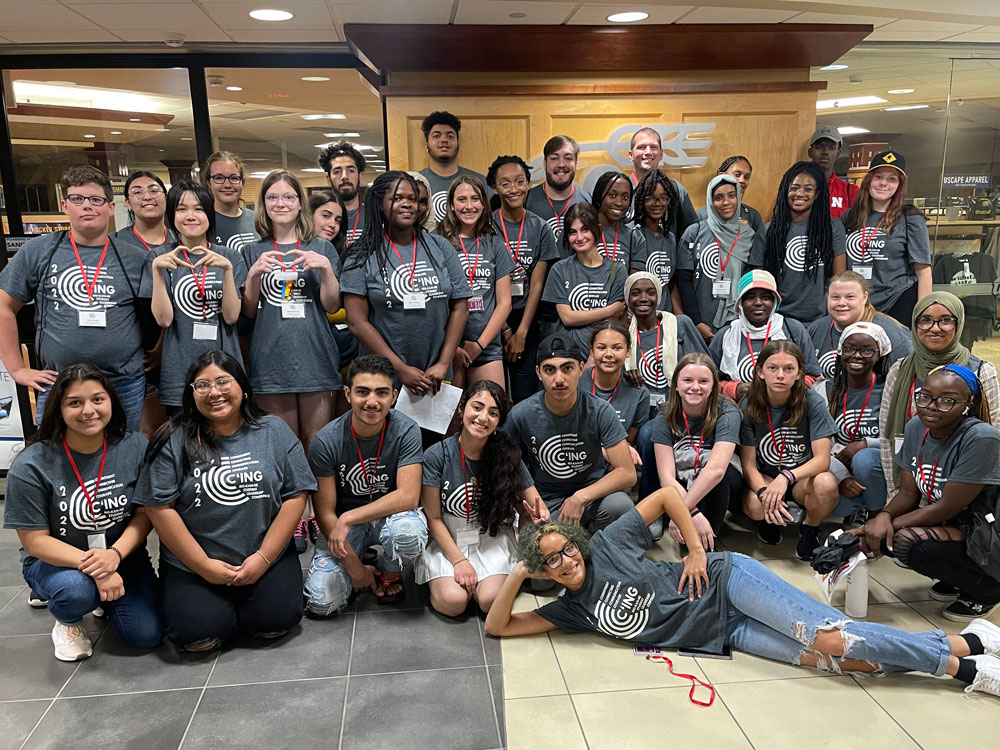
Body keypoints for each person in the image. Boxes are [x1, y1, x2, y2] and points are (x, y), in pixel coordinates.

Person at [484, 487, 1000, 701]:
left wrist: (690, 550)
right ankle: (964, 643)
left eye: (565, 550)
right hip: (722, 631)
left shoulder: (605, 545)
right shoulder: (568, 610)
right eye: (550, 561)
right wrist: (517, 576)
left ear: (577, 543)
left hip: (727, 581)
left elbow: (665, 495)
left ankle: (963, 667)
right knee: (843, 663)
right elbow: (498, 626)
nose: (565, 562)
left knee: (834, 640)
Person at [138, 351, 315, 652]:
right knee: (199, 638)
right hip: (194, 564)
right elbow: (159, 509)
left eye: (223, 381)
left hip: (264, 555)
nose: (214, 392)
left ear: (242, 386)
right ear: (191, 394)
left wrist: (263, 558)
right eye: (202, 385)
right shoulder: (173, 438)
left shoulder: (274, 430)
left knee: (274, 623)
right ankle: (211, 605)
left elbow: (296, 495)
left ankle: (246, 602)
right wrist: (204, 566)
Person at [3, 364, 161, 661]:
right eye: (75, 402)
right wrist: (97, 568)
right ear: (58, 409)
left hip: (120, 555)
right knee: (76, 591)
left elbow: (145, 515)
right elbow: (34, 542)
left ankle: (103, 599)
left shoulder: (135, 447)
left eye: (98, 399)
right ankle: (68, 620)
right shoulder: (32, 464)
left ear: (112, 402)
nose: (89, 410)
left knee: (145, 635)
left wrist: (113, 557)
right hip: (57, 562)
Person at [0, 165, 149, 431]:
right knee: (58, 461)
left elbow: (155, 312)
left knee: (124, 458)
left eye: (96, 200)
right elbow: (3, 306)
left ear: (110, 207)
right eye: (78, 199)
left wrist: (158, 351)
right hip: (59, 383)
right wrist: (17, 369)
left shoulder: (135, 257)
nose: (87, 207)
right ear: (65, 205)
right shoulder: (38, 251)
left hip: (123, 383)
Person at [856, 365, 1000, 621]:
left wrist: (883, 526)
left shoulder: (981, 437)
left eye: (947, 401)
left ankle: (988, 590)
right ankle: (960, 578)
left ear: (968, 405)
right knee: (888, 536)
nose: (931, 406)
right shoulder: (916, 427)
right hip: (957, 523)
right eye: (924, 396)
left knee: (906, 542)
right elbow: (908, 494)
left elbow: (947, 508)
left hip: (986, 529)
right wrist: (882, 516)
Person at [303, 355, 426, 614]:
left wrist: (348, 517)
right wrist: (356, 571)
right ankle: (361, 560)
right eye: (362, 392)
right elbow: (325, 514)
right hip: (345, 526)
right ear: (347, 394)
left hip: (390, 516)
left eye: (381, 393)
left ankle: (391, 572)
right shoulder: (325, 441)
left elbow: (408, 497)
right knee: (321, 602)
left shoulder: (407, 430)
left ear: (394, 396)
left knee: (408, 533)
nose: (372, 402)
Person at [416, 380, 548, 616]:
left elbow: (535, 502)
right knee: (454, 603)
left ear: (499, 421)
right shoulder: (437, 455)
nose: (483, 417)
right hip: (448, 536)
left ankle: (488, 581)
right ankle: (443, 581)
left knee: (489, 601)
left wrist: (538, 515)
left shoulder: (507, 454)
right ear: (462, 409)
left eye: (493, 412)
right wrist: (459, 562)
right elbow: (433, 518)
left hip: (490, 535)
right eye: (477, 407)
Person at [339, 171, 471, 397]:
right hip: (381, 377)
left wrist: (443, 363)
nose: (407, 204)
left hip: (435, 373)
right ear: (380, 204)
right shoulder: (360, 255)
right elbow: (357, 322)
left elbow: (460, 306)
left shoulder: (440, 247)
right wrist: (400, 369)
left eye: (413, 199)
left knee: (438, 433)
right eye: (398, 198)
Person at [241, 170, 341, 448]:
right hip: (271, 359)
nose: (280, 203)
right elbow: (248, 312)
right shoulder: (252, 251)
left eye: (288, 196)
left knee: (318, 445)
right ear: (263, 204)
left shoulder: (321, 248)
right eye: (272, 197)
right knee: (283, 446)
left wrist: (325, 269)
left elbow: (333, 306)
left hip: (315, 357)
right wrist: (253, 275)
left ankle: (321, 495)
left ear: (300, 204)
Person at [504, 333, 636, 533]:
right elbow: (507, 462)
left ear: (581, 368)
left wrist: (580, 497)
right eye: (550, 370)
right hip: (548, 499)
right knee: (540, 539)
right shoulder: (521, 414)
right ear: (538, 373)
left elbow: (627, 473)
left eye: (567, 368)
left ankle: (595, 546)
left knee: (621, 507)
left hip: (593, 496)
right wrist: (527, 503)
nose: (559, 379)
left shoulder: (599, 410)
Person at [879, 292, 1000, 497]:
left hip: (962, 481)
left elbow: (993, 429)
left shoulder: (980, 371)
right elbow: (886, 432)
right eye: (925, 320)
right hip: (909, 478)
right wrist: (894, 492)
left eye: (945, 320)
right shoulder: (900, 370)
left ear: (958, 324)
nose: (934, 328)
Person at [142, 181, 246, 416]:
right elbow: (164, 320)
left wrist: (227, 271)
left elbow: (231, 317)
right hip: (179, 367)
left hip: (223, 365)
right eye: (181, 209)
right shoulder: (159, 257)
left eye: (198, 209)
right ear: (172, 215)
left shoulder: (230, 257)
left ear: (209, 214)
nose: (191, 216)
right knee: (184, 442)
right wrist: (158, 273)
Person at [739, 340, 839, 558]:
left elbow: (823, 460)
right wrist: (765, 493)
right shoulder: (749, 405)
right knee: (756, 505)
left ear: (799, 373)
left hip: (800, 477)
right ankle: (769, 518)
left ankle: (810, 528)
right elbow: (748, 465)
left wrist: (786, 478)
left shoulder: (812, 402)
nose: (781, 375)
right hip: (766, 475)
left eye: (789, 369)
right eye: (772, 368)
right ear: (760, 372)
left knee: (826, 483)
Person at [624, 272, 709, 499]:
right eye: (636, 293)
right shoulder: (623, 332)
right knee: (645, 432)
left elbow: (705, 370)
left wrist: (676, 402)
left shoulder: (679, 324)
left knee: (649, 434)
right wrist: (625, 372)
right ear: (627, 298)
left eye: (650, 293)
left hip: (679, 408)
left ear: (659, 297)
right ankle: (653, 504)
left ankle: (653, 500)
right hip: (640, 411)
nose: (644, 298)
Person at [652, 353, 743, 549]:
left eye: (703, 381)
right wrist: (691, 513)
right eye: (687, 380)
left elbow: (716, 470)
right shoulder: (665, 415)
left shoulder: (727, 412)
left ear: (713, 386)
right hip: (683, 479)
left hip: (722, 480)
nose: (695, 387)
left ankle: (708, 544)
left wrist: (682, 511)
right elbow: (666, 478)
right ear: (676, 384)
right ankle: (694, 527)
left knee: (716, 474)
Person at [487, 155, 559, 403]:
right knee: (491, 394)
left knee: (523, 393)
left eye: (520, 181)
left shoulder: (540, 227)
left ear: (528, 184)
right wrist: (506, 330)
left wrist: (521, 333)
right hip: (491, 317)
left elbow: (537, 283)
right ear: (495, 188)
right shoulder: (486, 225)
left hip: (527, 320)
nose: (513, 189)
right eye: (505, 183)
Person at [812, 321, 893, 525]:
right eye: (849, 349)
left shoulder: (891, 390)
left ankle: (876, 515)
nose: (856, 356)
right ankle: (857, 510)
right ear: (840, 352)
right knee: (836, 504)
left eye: (867, 351)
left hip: (878, 466)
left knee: (864, 459)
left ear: (879, 354)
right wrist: (840, 477)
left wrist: (865, 444)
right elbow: (812, 444)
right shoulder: (823, 390)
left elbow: (902, 440)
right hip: (835, 464)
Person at [436, 175, 513, 388]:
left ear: (484, 204)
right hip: (446, 348)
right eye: (462, 200)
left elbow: (505, 302)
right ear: (451, 205)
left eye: (475, 199)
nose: (469, 206)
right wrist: (452, 348)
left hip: (486, 345)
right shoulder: (436, 242)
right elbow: (433, 302)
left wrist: (479, 345)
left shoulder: (495, 244)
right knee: (452, 418)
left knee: (491, 412)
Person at [842, 151, 931, 323]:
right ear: (869, 180)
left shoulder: (910, 218)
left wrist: (923, 315)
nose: (883, 183)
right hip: (857, 303)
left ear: (899, 185)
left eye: (892, 179)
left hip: (897, 301)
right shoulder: (849, 217)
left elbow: (923, 271)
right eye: (878, 177)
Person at [757, 161, 846, 324]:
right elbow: (759, 279)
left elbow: (839, 277)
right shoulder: (768, 231)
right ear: (785, 191)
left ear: (817, 194)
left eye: (808, 189)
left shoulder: (832, 228)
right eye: (794, 187)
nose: (800, 193)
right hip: (778, 319)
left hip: (820, 319)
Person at [710, 270, 822, 401]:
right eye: (750, 297)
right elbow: (707, 381)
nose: (758, 302)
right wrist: (734, 389)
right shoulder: (725, 335)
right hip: (738, 411)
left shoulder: (793, 330)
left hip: (786, 411)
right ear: (740, 303)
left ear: (774, 302)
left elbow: (814, 377)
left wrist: (787, 389)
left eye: (765, 297)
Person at [675, 175, 761, 344]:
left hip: (739, 323)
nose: (726, 202)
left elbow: (752, 281)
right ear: (710, 201)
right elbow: (684, 280)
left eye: (731, 195)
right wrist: (696, 322)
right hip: (699, 321)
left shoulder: (749, 236)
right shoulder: (695, 233)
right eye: (719, 198)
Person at [541, 203, 626, 355]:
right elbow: (567, 317)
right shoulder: (559, 270)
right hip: (568, 356)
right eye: (573, 232)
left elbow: (615, 320)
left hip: (604, 356)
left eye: (585, 230)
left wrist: (594, 357)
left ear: (597, 230)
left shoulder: (617, 270)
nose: (579, 238)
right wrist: (609, 309)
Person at [807, 270, 912, 380]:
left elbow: (908, 377)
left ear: (865, 297)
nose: (841, 303)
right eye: (835, 297)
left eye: (850, 297)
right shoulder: (817, 328)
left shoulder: (890, 333)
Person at [579, 321, 649, 464]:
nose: (609, 354)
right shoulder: (575, 384)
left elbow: (628, 440)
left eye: (617, 348)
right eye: (601, 347)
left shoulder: (639, 393)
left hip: (614, 462)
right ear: (591, 351)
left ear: (628, 351)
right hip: (579, 457)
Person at [418, 111, 489, 224]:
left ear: (458, 144)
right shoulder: (416, 182)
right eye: (436, 136)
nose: (444, 140)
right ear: (426, 146)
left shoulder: (480, 181)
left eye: (450, 136)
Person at [626, 127, 698, 233]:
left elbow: (690, 230)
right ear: (631, 155)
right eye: (641, 147)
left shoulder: (676, 190)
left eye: (653, 147)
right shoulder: (620, 189)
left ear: (661, 154)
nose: (648, 152)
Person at [632, 169, 682, 312]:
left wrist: (679, 318)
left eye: (663, 198)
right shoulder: (634, 234)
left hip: (665, 317)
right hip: (642, 317)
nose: (657, 203)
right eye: (650, 198)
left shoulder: (669, 238)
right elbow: (633, 285)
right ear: (641, 200)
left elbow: (670, 283)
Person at [524, 135, 592, 239]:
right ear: (545, 163)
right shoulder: (526, 200)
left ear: (576, 162)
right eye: (554, 158)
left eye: (568, 158)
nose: (561, 164)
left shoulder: (587, 201)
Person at [201, 151, 258, 253]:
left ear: (242, 182)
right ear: (208, 183)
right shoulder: (202, 221)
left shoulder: (258, 220)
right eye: (218, 178)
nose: (227, 184)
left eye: (234, 178)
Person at [590, 171, 647, 273]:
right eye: (612, 195)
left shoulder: (634, 237)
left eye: (625, 197)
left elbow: (634, 283)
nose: (619, 203)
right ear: (600, 196)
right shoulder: (581, 232)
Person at [696, 156, 764, 232]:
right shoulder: (701, 216)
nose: (742, 180)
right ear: (721, 176)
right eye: (737, 175)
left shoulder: (753, 216)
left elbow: (760, 242)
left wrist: (747, 233)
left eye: (746, 177)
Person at [114, 171, 173, 255]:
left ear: (166, 198)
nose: (147, 197)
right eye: (137, 192)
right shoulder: (115, 243)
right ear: (128, 203)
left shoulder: (180, 239)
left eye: (154, 190)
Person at [319, 140, 366, 243]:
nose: (344, 176)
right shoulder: (318, 220)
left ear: (360, 176)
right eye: (337, 172)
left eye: (351, 170)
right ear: (328, 178)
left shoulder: (374, 216)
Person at [807, 125, 858, 220]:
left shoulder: (850, 191)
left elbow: (856, 227)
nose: (825, 152)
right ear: (810, 152)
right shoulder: (796, 187)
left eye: (831, 148)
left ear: (838, 153)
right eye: (819, 147)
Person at [309, 189, 348, 254]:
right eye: (326, 216)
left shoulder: (343, 255)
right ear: (310, 214)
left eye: (337, 220)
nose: (333, 224)